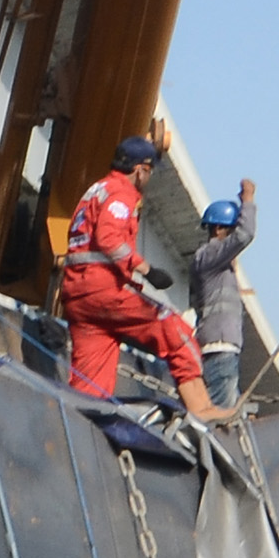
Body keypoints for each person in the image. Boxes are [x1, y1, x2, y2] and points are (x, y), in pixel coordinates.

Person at [56, 135, 226, 420]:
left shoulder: (95, 190)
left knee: (90, 381)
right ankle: (202, 408)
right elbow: (108, 238)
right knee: (174, 329)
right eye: (149, 172)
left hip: (78, 295)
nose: (149, 178)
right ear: (140, 170)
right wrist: (146, 270)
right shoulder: (120, 193)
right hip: (104, 290)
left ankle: (77, 424)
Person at [189, 180, 257, 382]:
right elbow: (245, 235)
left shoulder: (213, 263)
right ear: (218, 228)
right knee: (221, 412)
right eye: (231, 230)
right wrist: (248, 200)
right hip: (219, 348)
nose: (232, 241)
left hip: (216, 347)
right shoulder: (211, 255)